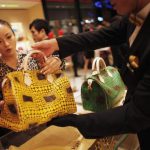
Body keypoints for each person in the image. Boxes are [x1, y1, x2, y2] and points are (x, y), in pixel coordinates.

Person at [16, 0, 150, 149]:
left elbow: (138, 113)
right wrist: (56, 44)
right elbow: (105, 35)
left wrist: (77, 121)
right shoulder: (134, 16)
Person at [0, 19, 62, 136]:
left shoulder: (32, 56)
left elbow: (52, 76)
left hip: (44, 117)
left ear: (14, 35)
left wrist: (56, 61)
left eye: (9, 37)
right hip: (16, 126)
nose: (6, 44)